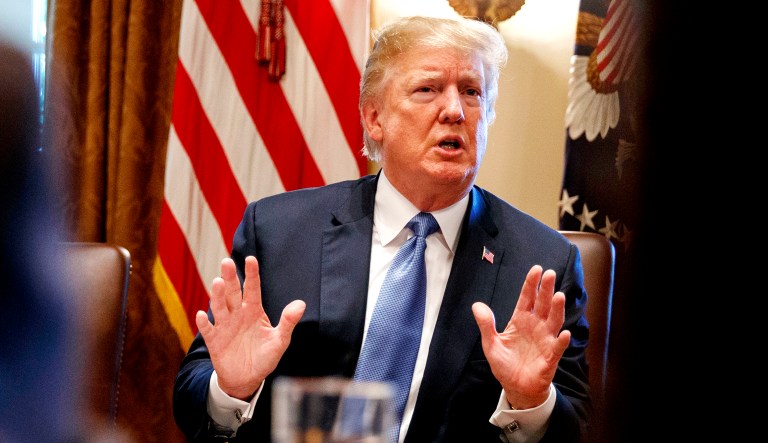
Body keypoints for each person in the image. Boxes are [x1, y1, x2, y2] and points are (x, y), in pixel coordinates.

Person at [173, 15, 590, 443]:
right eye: (427, 89)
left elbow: (576, 427)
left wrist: (530, 402)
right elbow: (192, 399)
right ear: (375, 119)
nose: (454, 110)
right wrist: (232, 390)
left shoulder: (542, 264)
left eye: (471, 92)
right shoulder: (281, 232)